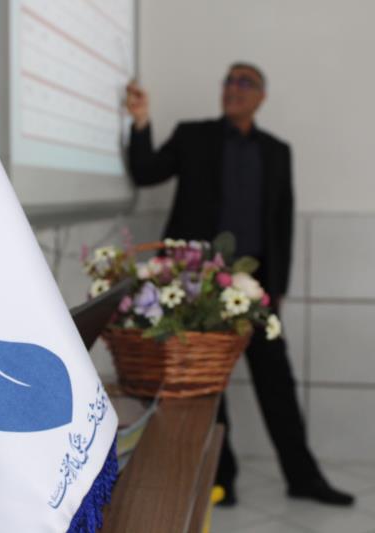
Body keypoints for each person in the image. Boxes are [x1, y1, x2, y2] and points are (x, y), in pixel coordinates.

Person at [124, 62, 354, 507]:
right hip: (197, 287)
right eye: (229, 80)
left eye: (245, 82)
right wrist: (140, 122)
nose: (234, 88)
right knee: (209, 385)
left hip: (254, 289)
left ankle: (303, 477)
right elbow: (145, 172)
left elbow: (282, 223)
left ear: (261, 96)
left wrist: (278, 288)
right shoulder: (192, 136)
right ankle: (221, 478)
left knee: (277, 382)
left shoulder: (277, 151)